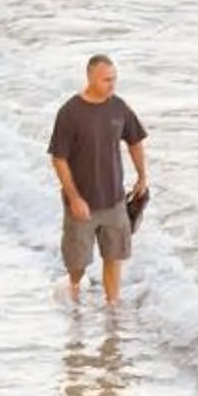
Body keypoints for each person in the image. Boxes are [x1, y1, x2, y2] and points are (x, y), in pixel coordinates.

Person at [48, 52, 149, 305]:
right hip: (81, 204)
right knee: (77, 263)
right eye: (106, 80)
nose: (111, 85)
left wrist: (142, 176)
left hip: (114, 201)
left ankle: (112, 310)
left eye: (114, 79)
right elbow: (58, 158)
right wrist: (74, 198)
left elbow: (135, 140)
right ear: (90, 78)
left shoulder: (119, 107)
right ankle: (73, 289)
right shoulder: (70, 113)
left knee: (114, 258)